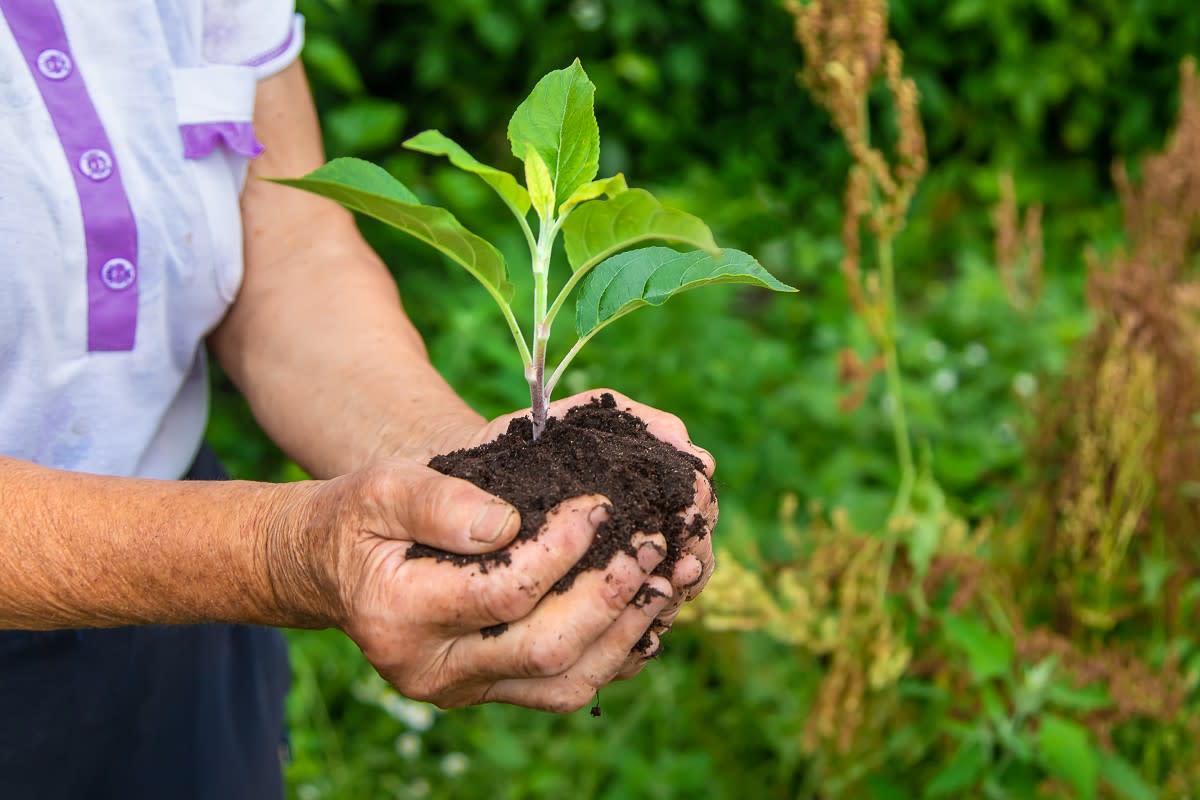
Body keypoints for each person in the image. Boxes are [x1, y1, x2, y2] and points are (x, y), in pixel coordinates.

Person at [0, 3, 717, 798]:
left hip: (178, 642)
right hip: (175, 567)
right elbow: (277, 552)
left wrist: (458, 471)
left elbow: (288, 244)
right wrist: (281, 554)